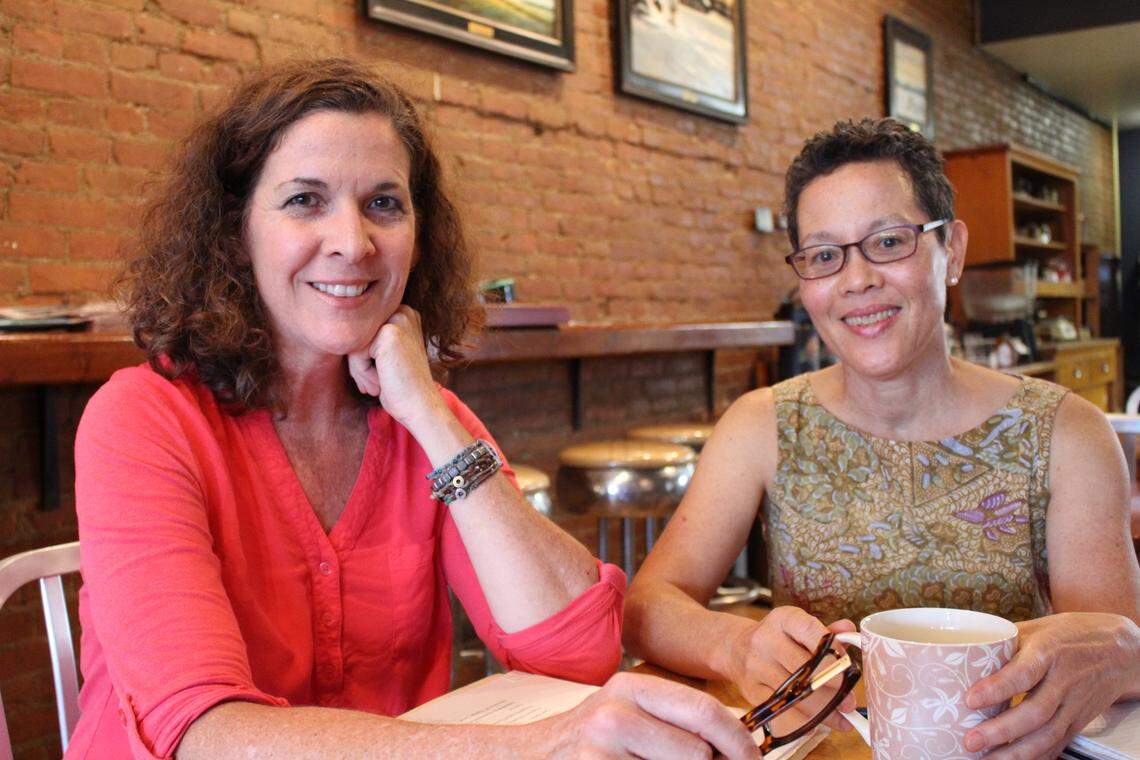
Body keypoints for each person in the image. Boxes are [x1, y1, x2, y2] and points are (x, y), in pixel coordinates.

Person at [67, 59, 761, 759]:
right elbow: (202, 732)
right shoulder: (142, 421)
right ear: (235, 233)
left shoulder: (426, 421)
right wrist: (531, 747)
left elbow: (578, 651)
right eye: (305, 200)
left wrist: (428, 413)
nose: (353, 242)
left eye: (384, 204)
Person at [624, 117, 1140, 759]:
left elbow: (1111, 648)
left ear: (950, 250)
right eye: (822, 255)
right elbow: (647, 606)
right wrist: (733, 644)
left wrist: (1120, 647)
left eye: (889, 242)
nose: (856, 279)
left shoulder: (1066, 432)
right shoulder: (762, 425)